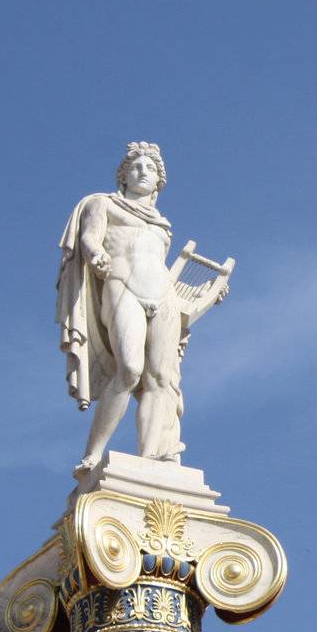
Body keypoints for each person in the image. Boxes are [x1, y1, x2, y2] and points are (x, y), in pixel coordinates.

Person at [57, 142, 218, 475]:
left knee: (161, 378)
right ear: (123, 175)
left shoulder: (162, 225)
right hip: (121, 286)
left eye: (151, 169)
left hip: (163, 297)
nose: (143, 172)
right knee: (130, 369)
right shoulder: (102, 204)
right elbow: (90, 238)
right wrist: (95, 255)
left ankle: (155, 455)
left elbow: (162, 268)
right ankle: (93, 453)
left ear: (159, 181)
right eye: (136, 167)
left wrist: (205, 292)